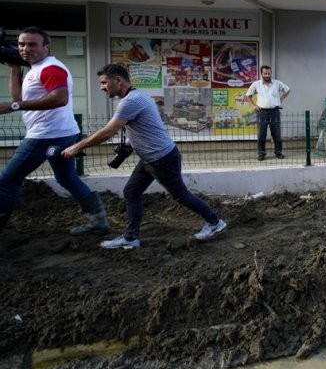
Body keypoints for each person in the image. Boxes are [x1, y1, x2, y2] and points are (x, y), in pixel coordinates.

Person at [62, 64, 226, 248]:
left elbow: (108, 132)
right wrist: (131, 144)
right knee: (131, 191)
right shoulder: (137, 96)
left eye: (104, 82)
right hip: (150, 158)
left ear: (117, 80)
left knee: (180, 195)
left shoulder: (130, 101)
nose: (101, 87)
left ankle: (214, 222)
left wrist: (77, 146)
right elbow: (145, 127)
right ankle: (131, 238)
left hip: (161, 158)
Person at [0, 27, 110, 236]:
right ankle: (98, 220)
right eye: (22, 44)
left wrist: (14, 107)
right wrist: (15, 69)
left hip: (46, 135)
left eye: (32, 44)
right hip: (61, 133)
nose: (25, 49)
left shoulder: (51, 68)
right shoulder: (35, 68)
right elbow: (19, 98)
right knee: (67, 178)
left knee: (7, 181)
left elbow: (60, 98)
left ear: (47, 47)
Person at [246, 65, 290, 160]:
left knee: (276, 134)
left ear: (271, 73)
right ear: (261, 74)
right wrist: (253, 105)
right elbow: (248, 95)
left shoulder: (277, 83)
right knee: (262, 134)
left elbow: (287, 90)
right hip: (262, 112)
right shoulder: (256, 84)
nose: (267, 75)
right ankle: (261, 153)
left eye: (269, 73)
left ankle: (278, 152)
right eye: (265, 73)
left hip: (275, 111)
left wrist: (280, 100)